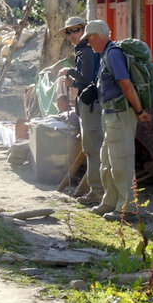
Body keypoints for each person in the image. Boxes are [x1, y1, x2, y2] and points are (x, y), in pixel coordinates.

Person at [81, 20, 152, 220]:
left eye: (88, 39)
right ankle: (110, 201)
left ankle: (127, 208)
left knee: (121, 162)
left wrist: (139, 111)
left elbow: (126, 84)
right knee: (107, 161)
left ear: (95, 36)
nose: (89, 43)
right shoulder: (106, 54)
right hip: (110, 115)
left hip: (120, 114)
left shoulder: (113, 54)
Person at [57, 16, 104, 205]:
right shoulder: (85, 50)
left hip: (92, 104)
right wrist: (74, 80)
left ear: (85, 30)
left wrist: (69, 72)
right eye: (69, 31)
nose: (72, 34)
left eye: (76, 30)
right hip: (90, 101)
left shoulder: (86, 51)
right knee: (92, 147)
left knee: (93, 148)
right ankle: (97, 189)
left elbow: (86, 77)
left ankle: (98, 191)